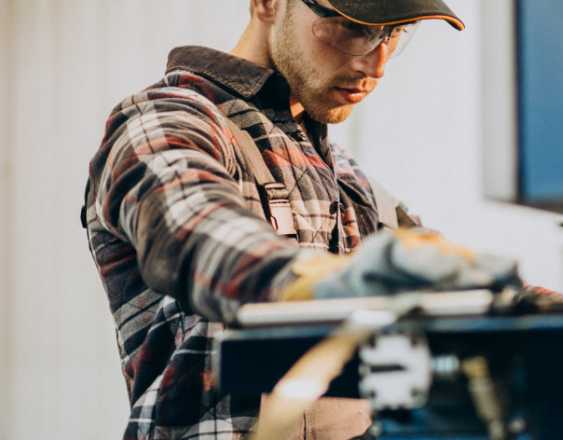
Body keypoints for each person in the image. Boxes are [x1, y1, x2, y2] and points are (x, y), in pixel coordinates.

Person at [82, 0, 520, 438]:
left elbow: (448, 283)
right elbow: (198, 232)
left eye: (393, 34)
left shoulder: (349, 181)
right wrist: (320, 282)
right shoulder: (163, 120)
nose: (378, 64)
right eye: (353, 28)